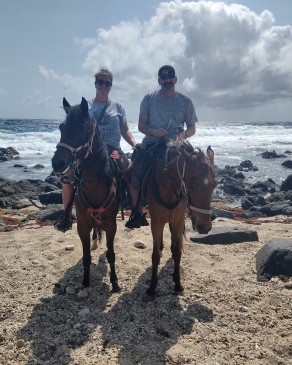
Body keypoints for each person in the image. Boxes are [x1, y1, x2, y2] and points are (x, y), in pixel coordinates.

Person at [54, 67, 148, 232]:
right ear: (95, 84)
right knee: (67, 179)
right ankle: (66, 217)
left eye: (107, 83)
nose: (103, 85)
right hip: (90, 152)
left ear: (111, 86)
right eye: (100, 82)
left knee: (130, 173)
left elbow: (125, 129)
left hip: (113, 149)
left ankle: (136, 213)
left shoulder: (118, 107)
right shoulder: (86, 106)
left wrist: (134, 144)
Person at [124, 65, 198, 229]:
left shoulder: (185, 101)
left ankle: (196, 211)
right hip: (153, 144)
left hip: (177, 145)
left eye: (170, 76)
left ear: (175, 79)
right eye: (163, 77)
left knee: (198, 170)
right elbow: (141, 125)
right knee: (131, 171)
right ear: (159, 81)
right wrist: (153, 131)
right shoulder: (149, 99)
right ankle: (137, 212)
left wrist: (183, 135)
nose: (167, 80)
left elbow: (192, 128)